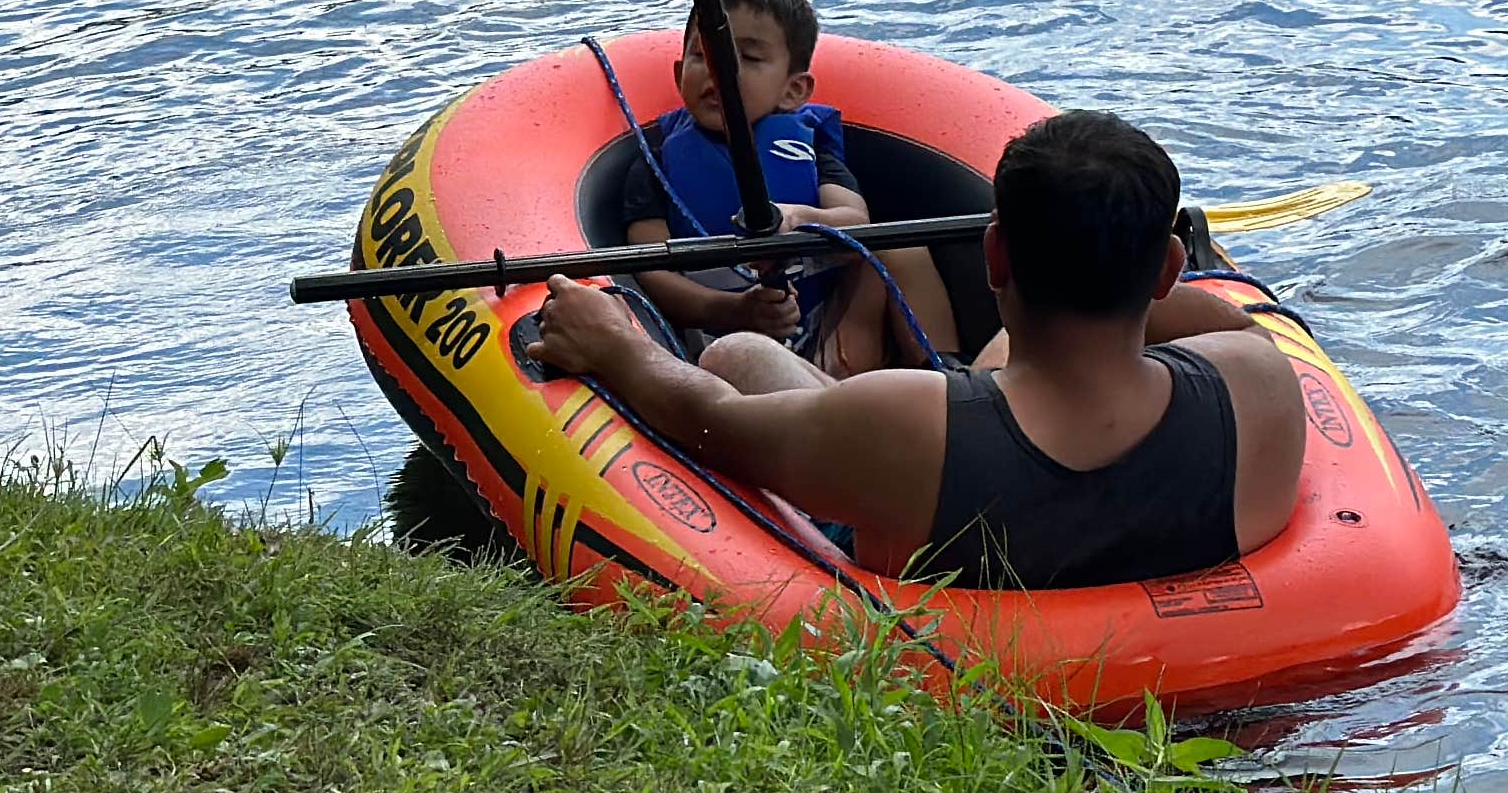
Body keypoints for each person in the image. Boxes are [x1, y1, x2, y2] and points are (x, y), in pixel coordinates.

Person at [532, 108, 1309, 589]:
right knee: (991, 376)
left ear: (995, 258)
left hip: (932, 529)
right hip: (1182, 616)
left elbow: (710, 422)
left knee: (738, 355)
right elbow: (1220, 317)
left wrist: (614, 346)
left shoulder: (907, 419)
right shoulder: (1257, 381)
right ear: (1170, 268)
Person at [612, 0, 956, 375]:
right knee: (743, 355)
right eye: (703, 56)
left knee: (901, 249)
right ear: (679, 74)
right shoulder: (654, 164)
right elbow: (650, 267)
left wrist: (796, 219)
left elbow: (854, 222)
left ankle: (949, 377)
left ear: (793, 91)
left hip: (825, 324)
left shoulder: (807, 147)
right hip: (724, 336)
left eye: (749, 59)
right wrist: (731, 310)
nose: (720, 72)